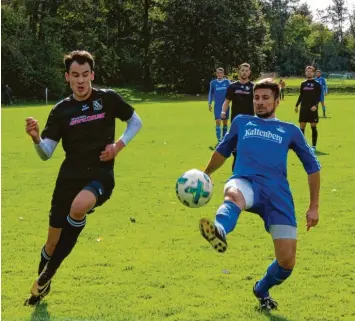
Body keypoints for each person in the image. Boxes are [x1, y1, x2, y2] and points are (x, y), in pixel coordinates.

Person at [24, 50, 142, 305]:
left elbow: (135, 122)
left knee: (78, 208)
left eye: (85, 75)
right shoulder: (61, 110)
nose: (80, 80)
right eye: (75, 75)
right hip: (68, 178)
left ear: (92, 75)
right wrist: (35, 138)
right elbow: (46, 153)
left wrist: (118, 146)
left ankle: (48, 274)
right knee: (51, 244)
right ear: (67, 77)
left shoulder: (108, 99)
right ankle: (40, 288)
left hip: (100, 174)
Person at [199, 79, 320, 311]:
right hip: (246, 182)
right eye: (257, 98)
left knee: (287, 261)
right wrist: (205, 175)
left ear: (277, 101)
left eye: (265, 98)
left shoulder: (290, 130)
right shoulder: (241, 122)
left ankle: (261, 289)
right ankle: (219, 230)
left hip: (277, 194)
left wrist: (314, 206)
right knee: (232, 194)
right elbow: (222, 151)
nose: (260, 103)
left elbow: (313, 168)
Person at [221, 63, 254, 171]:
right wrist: (223, 111)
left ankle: (247, 169)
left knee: (247, 147)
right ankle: (236, 170)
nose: (244, 72)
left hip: (250, 122)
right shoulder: (232, 87)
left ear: (249, 72)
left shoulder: (253, 87)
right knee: (236, 148)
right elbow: (226, 101)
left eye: (246, 70)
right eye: (242, 70)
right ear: (239, 72)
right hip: (236, 122)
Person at [295, 66, 322, 152]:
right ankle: (303, 145)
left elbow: (319, 96)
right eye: (307, 71)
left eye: (310, 71)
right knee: (302, 127)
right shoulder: (303, 84)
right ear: (305, 72)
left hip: (312, 109)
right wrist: (296, 105)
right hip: (304, 108)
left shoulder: (317, 84)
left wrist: (316, 105)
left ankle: (313, 146)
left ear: (313, 73)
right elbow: (301, 95)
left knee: (313, 127)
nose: (309, 73)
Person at [208, 68, 230, 146]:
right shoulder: (213, 83)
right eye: (218, 73)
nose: (219, 74)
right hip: (217, 105)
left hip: (226, 105)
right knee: (218, 121)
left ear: (223, 74)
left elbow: (231, 92)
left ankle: (224, 139)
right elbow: (210, 93)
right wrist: (209, 102)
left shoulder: (227, 82)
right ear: (216, 74)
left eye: (221, 73)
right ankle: (219, 140)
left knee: (225, 123)